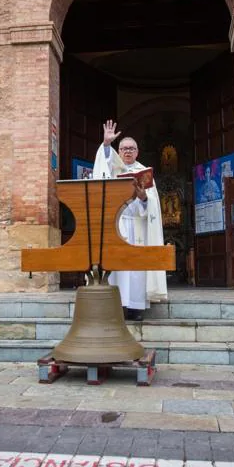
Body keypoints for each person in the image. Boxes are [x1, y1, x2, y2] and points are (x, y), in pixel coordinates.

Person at [93, 120, 168, 321]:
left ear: (137, 152)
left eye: (131, 148)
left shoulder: (144, 172)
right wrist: (106, 144)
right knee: (118, 268)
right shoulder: (113, 167)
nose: (127, 151)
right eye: (124, 148)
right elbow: (101, 169)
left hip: (137, 226)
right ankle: (117, 307)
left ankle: (134, 307)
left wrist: (144, 198)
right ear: (119, 150)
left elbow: (152, 205)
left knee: (135, 269)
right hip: (118, 224)